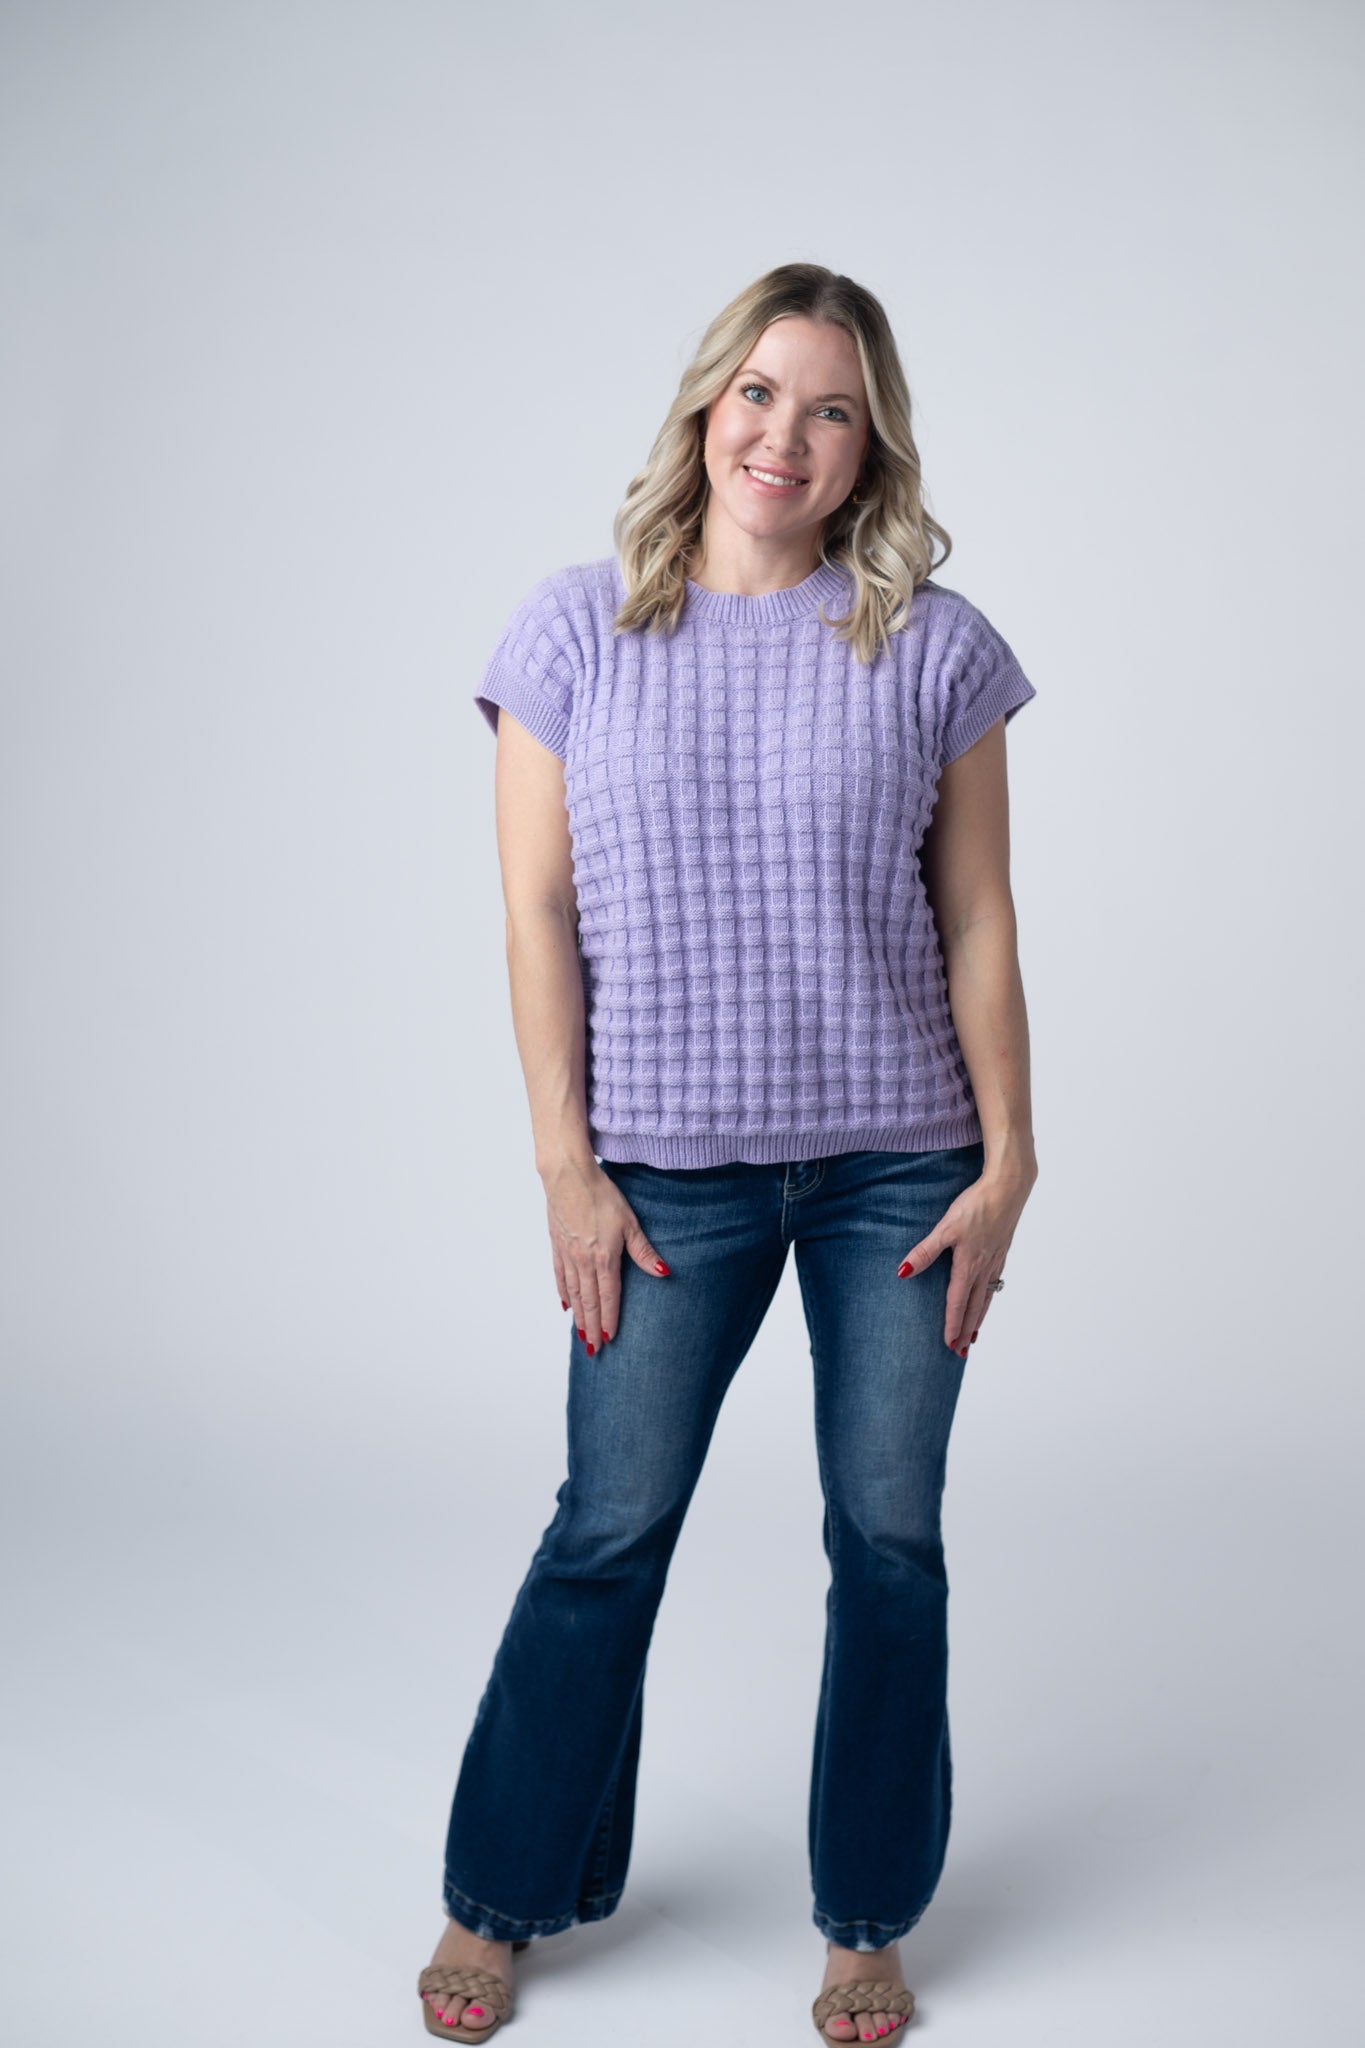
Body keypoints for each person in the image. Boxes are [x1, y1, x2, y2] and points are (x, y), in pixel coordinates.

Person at [418, 261, 1040, 2044]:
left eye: (832, 408)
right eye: (760, 392)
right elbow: (536, 914)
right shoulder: (572, 630)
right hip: (662, 1177)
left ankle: (865, 1917)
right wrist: (566, 1165)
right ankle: (500, 1895)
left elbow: (977, 918)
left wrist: (1009, 1161)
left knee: (889, 1537)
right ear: (707, 406)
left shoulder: (931, 646)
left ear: (870, 446)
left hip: (897, 1171)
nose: (786, 435)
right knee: (607, 1528)